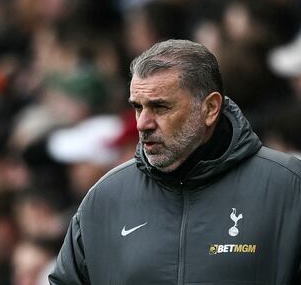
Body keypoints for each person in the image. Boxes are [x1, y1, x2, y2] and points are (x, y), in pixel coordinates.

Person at [49, 39, 301, 284]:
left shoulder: (288, 187)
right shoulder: (104, 199)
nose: (142, 124)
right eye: (138, 107)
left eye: (160, 107)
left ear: (210, 108)